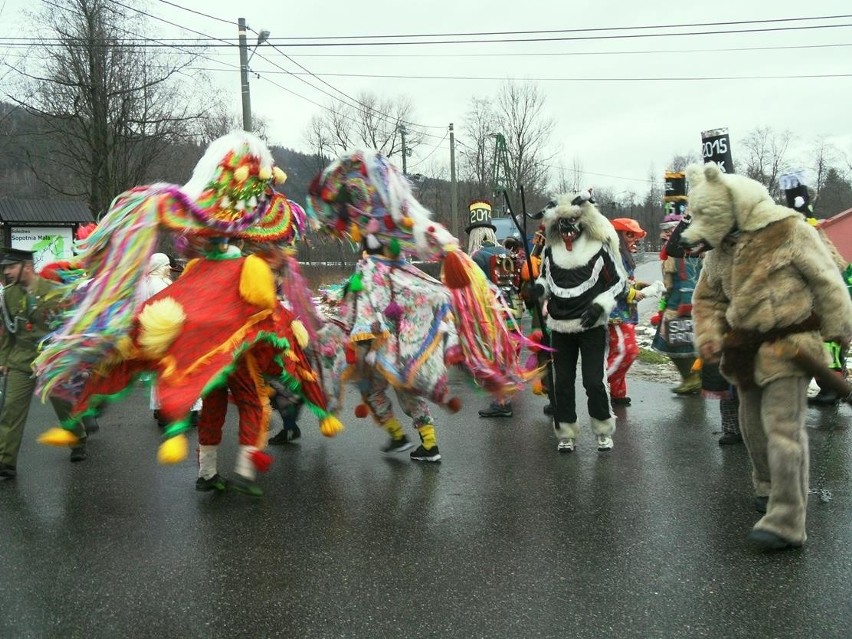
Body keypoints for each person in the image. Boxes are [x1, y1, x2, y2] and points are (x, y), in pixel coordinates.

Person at [685, 161, 852, 550]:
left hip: (791, 348)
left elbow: (828, 279)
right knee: (752, 428)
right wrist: (709, 335)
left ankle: (788, 520)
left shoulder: (789, 229)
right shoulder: (720, 249)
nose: (697, 224)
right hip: (744, 352)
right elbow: (707, 297)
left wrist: (839, 330)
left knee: (783, 430)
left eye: (703, 213)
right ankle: (767, 488)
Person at [531, 191, 627, 452]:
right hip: (560, 326)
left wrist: (600, 306)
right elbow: (544, 280)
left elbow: (619, 282)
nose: (567, 230)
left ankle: (603, 430)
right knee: (561, 382)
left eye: (571, 223)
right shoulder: (550, 251)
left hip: (591, 326)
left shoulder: (598, 248)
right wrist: (538, 291)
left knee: (593, 381)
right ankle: (566, 432)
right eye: (561, 224)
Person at [0, 248, 87, 479]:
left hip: (51, 358)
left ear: (26, 267)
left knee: (64, 405)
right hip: (21, 359)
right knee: (11, 409)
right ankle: (6, 462)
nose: (6, 271)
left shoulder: (55, 292)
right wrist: (4, 360)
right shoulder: (8, 295)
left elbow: (69, 328)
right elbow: (7, 331)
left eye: (10, 267)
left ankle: (78, 439)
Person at [466, 200, 518, 419]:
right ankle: (508, 393)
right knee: (508, 355)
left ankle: (502, 402)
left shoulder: (476, 257)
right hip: (513, 312)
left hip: (493, 313)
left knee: (496, 355)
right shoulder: (506, 252)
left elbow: (475, 289)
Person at [651, 210, 703, 395]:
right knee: (680, 345)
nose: (665, 233)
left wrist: (686, 306)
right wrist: (662, 306)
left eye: (670, 229)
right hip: (673, 302)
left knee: (680, 345)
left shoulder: (683, 251)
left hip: (681, 306)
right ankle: (692, 377)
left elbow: (688, 279)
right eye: (664, 229)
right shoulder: (671, 252)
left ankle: (693, 378)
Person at [606, 218, 652, 406]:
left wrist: (638, 285)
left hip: (626, 312)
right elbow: (613, 285)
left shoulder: (623, 256)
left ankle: (618, 394)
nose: (634, 239)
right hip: (615, 314)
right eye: (630, 234)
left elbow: (625, 282)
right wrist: (634, 292)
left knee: (619, 352)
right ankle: (598, 381)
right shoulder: (611, 256)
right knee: (628, 351)